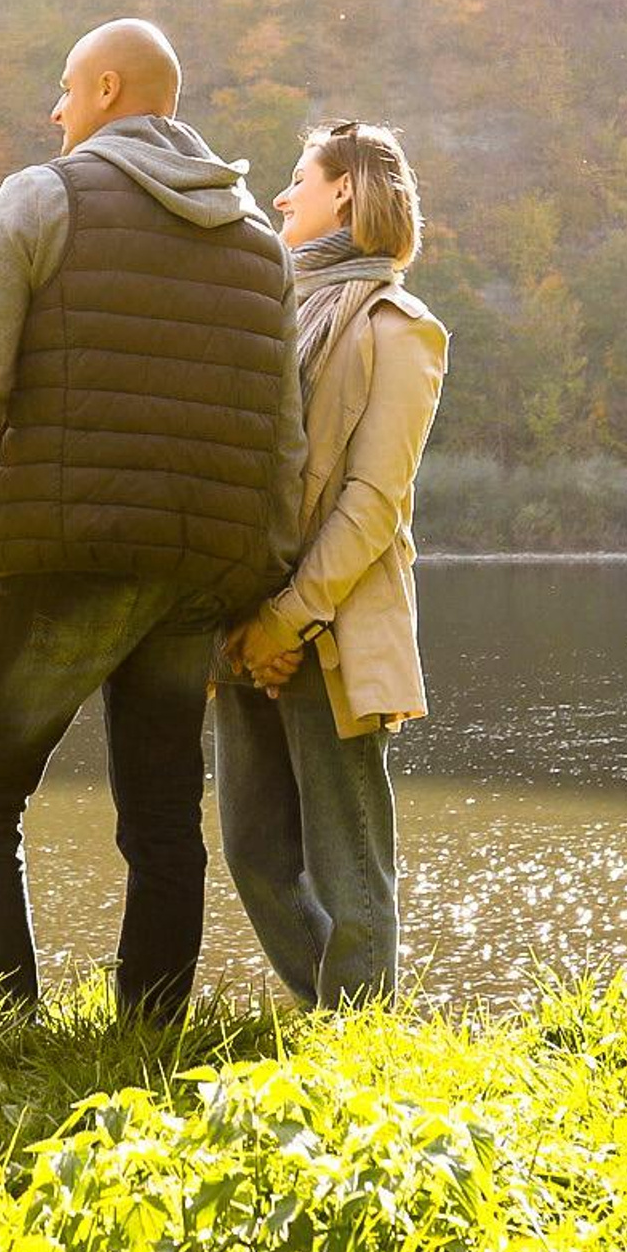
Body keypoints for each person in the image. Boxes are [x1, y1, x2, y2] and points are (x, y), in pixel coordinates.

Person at [0, 17, 305, 1018]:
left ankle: (4, 1028)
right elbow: (283, 433)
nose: (56, 110)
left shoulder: (45, 195)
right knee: (163, 816)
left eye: (67, 87)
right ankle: (150, 1028)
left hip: (74, 551)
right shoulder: (262, 243)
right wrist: (265, 577)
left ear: (110, 89)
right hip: (199, 568)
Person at [216, 122, 447, 1005]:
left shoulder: (401, 329)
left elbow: (372, 503)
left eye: (298, 178)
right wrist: (248, 616)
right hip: (245, 615)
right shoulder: (270, 308)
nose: (281, 197)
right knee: (254, 851)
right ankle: (332, 1012)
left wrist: (288, 621)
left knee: (349, 866)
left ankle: (358, 1036)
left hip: (334, 624)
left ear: (345, 189)